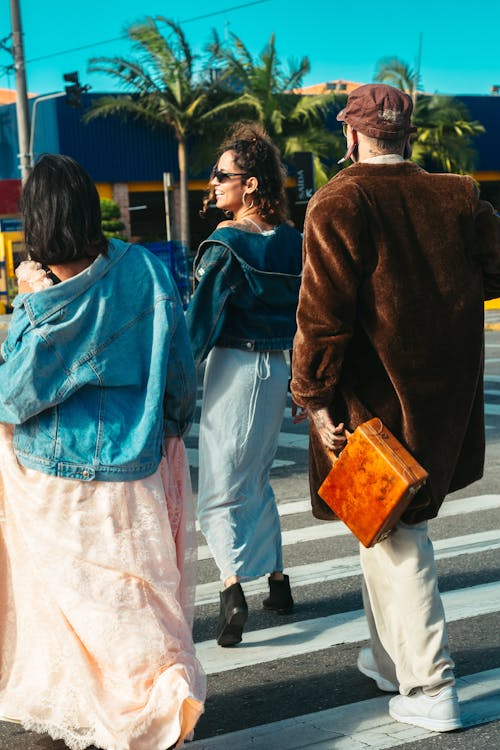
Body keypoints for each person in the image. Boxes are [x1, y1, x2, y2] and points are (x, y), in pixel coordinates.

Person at [291, 84, 500, 732]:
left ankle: (433, 685)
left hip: (369, 407)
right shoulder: (458, 196)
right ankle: (390, 661)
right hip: (441, 400)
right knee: (375, 529)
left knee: (399, 537)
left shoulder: (340, 199)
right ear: (408, 135)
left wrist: (312, 399)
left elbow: (320, 320)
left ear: (351, 136)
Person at [0, 154, 206, 749]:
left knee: (67, 600)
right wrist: (170, 430)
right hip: (135, 462)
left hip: (53, 476)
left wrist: (26, 306)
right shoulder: (144, 268)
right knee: (133, 594)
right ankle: (160, 692)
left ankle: (87, 706)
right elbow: (179, 369)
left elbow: (15, 395)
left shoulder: (46, 297)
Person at [186, 122, 304, 647]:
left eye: (221, 176)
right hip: (277, 369)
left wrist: (172, 382)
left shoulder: (225, 246)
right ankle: (277, 582)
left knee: (218, 489)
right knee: (255, 476)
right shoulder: (291, 242)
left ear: (250, 184)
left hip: (233, 369)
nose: (213, 184)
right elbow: (309, 315)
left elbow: (198, 327)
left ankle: (232, 588)